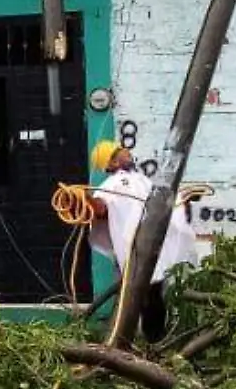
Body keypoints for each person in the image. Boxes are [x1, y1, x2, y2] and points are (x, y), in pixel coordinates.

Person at [85, 139, 199, 344]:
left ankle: (145, 342)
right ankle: (138, 343)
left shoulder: (140, 179)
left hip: (151, 248)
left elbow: (157, 203)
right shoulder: (112, 184)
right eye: (118, 152)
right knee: (144, 298)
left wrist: (182, 201)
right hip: (136, 251)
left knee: (153, 297)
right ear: (111, 164)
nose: (126, 152)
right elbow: (101, 208)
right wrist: (86, 199)